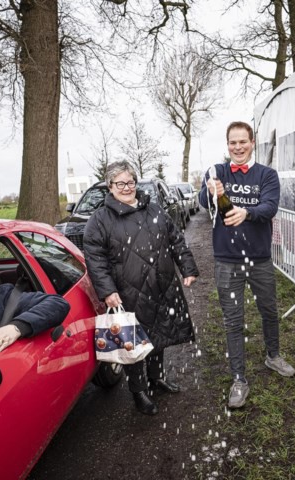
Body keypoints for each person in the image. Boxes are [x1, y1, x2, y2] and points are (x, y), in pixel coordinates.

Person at [83, 161, 198, 416]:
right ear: (110, 187)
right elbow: (95, 259)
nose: (127, 187)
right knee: (133, 344)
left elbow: (176, 240)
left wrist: (188, 268)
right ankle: (139, 391)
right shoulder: (100, 219)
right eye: (120, 183)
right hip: (127, 292)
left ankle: (156, 378)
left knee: (160, 335)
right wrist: (107, 291)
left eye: (130, 182)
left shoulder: (154, 210)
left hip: (162, 284)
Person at [198, 120, 295, 410]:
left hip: (260, 259)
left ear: (252, 143)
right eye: (233, 143)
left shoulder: (266, 174)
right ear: (227, 145)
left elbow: (269, 207)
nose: (238, 147)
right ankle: (239, 378)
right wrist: (211, 192)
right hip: (226, 261)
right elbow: (205, 204)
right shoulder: (217, 172)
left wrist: (247, 213)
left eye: (243, 142)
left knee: (269, 310)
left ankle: (273, 355)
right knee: (233, 320)